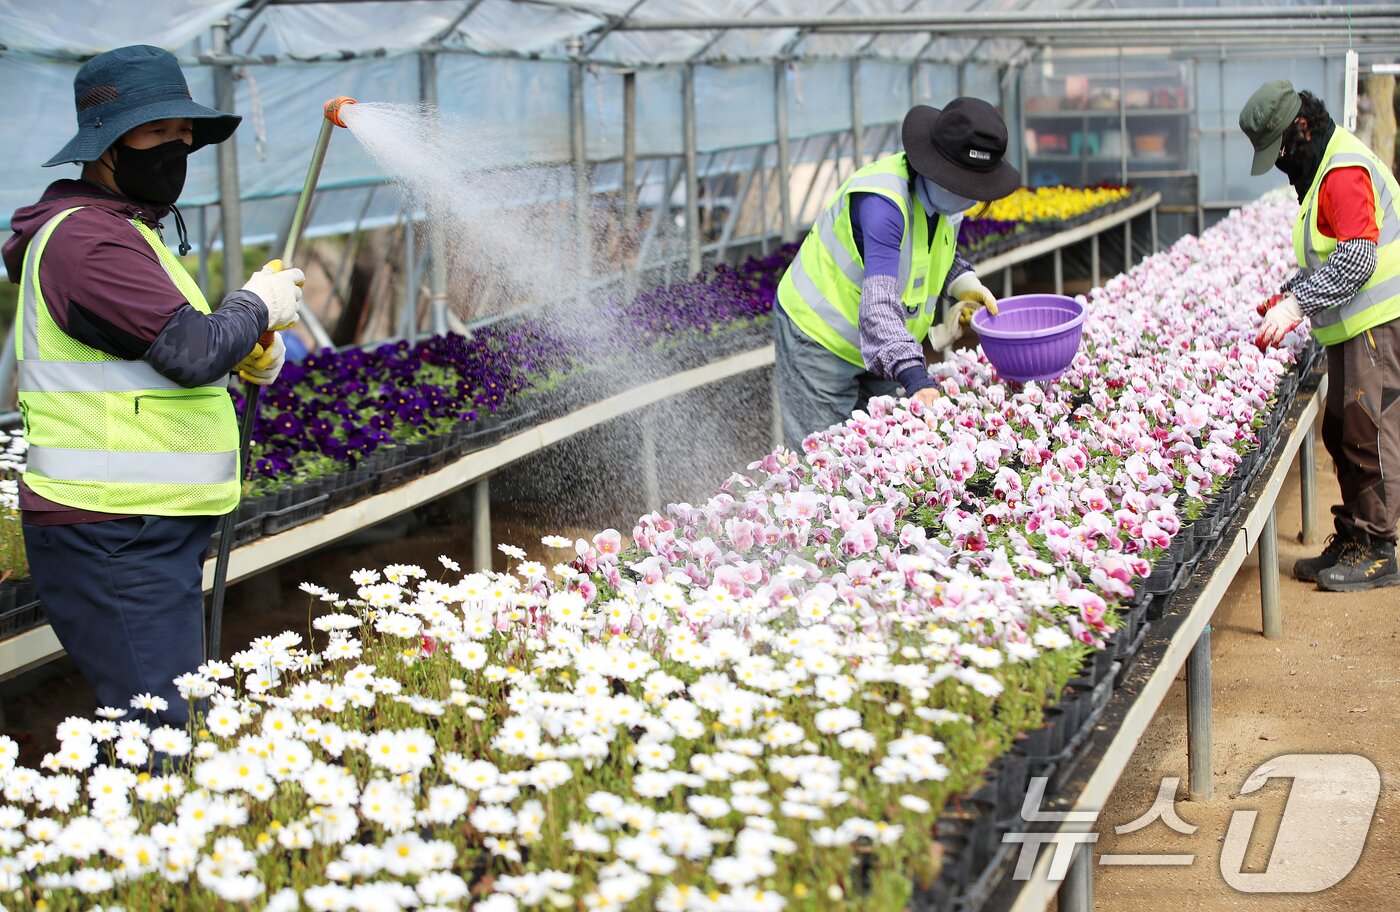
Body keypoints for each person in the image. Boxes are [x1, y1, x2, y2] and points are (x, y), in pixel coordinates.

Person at [2, 45, 305, 724]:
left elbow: (169, 349)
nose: (176, 147)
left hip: (145, 522)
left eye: (183, 134)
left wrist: (248, 349)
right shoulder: (87, 243)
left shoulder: (129, 231)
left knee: (165, 720)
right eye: (155, 132)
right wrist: (254, 305)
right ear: (105, 145)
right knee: (162, 731)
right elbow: (190, 350)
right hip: (111, 531)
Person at [774, 97, 1019, 450]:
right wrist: (917, 379)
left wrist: (963, 281)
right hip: (819, 341)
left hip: (880, 347)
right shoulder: (882, 204)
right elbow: (879, 308)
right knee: (824, 462)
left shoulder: (946, 198)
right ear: (937, 168)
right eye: (964, 184)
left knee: (878, 458)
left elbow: (930, 249)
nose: (972, 196)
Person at [1241, 80, 1400, 592]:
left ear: (1302, 129)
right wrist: (1288, 293)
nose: (1283, 166)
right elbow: (1332, 255)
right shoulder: (1325, 167)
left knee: (1367, 432)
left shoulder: (1343, 171)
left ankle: (1378, 548)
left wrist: (1296, 305)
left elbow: (1357, 259)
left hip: (1379, 319)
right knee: (1341, 427)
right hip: (1356, 323)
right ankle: (1353, 535)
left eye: (1282, 152)